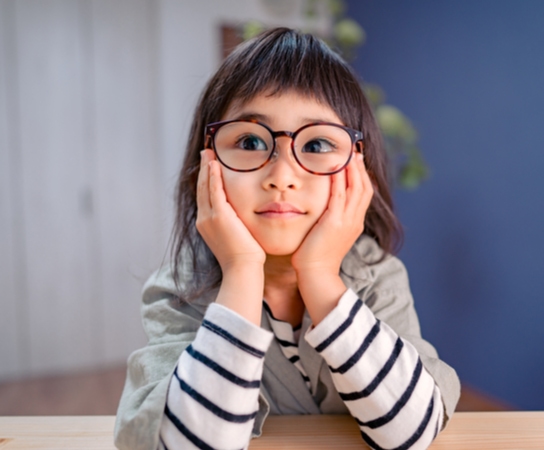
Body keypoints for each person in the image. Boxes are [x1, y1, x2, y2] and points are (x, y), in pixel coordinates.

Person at [114, 27, 459, 450]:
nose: (281, 177)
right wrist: (241, 269)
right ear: (207, 163)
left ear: (357, 170)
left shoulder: (376, 276)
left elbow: (411, 433)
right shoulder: (180, 289)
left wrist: (318, 274)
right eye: (250, 141)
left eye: (316, 144)